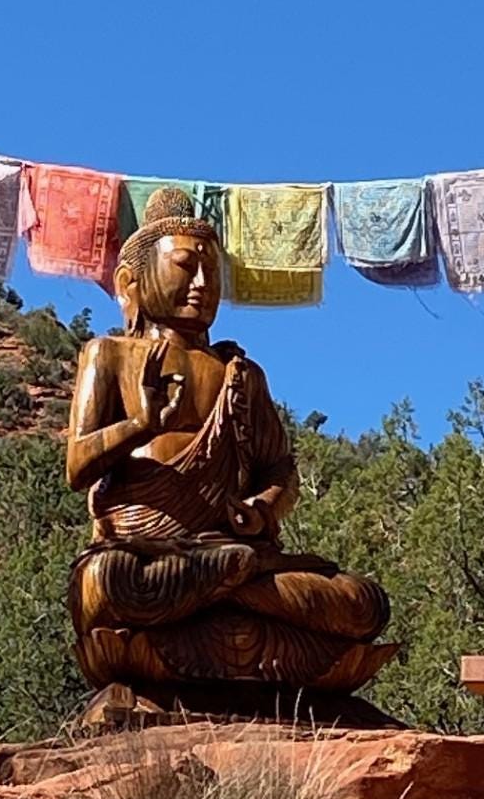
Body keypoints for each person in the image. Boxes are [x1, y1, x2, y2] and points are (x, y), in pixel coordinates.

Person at [66, 186, 395, 693]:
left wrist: (262, 510)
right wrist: (141, 426)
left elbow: (280, 470)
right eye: (184, 267)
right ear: (131, 281)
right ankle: (230, 584)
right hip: (148, 557)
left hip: (233, 556)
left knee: (362, 603)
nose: (202, 283)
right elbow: (77, 466)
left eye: (212, 271)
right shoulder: (109, 355)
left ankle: (224, 584)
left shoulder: (241, 374)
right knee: (108, 582)